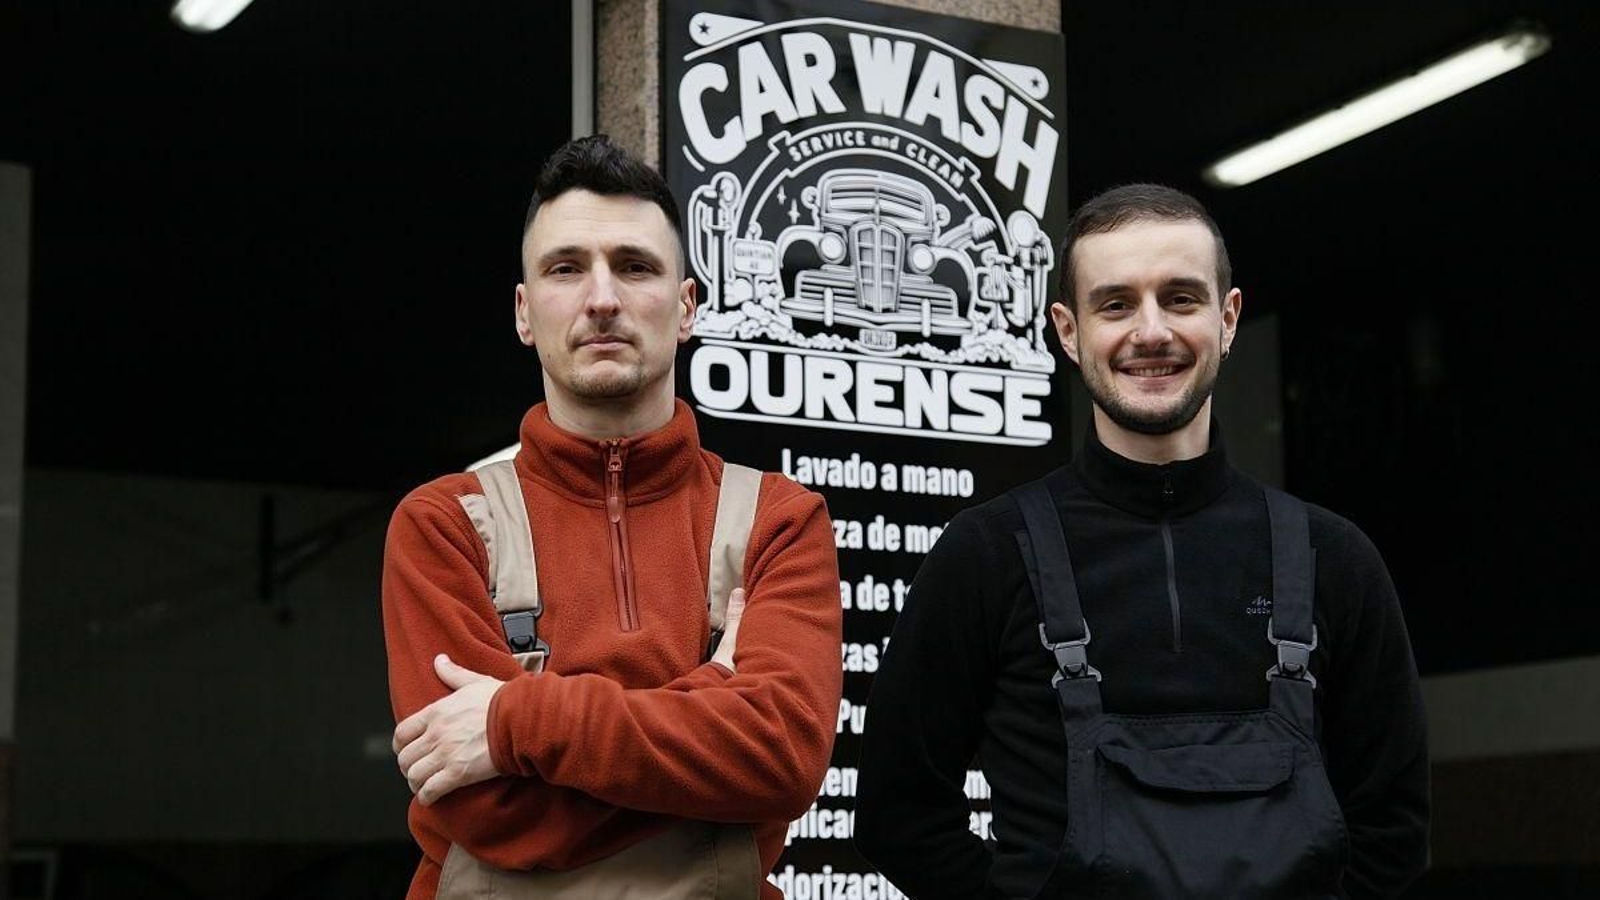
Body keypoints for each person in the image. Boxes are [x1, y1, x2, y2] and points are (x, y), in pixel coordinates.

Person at [854, 184, 1428, 898]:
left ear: (1228, 318)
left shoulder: (1334, 558)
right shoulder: (986, 553)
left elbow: (1394, 830)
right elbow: (897, 813)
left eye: (1181, 299)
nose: (1150, 332)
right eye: (1116, 303)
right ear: (1068, 331)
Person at [382, 135, 843, 899]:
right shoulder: (444, 524)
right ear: (525, 313)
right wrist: (708, 718)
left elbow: (782, 760)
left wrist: (515, 723)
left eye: (635, 266)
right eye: (567, 269)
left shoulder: (778, 519)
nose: (602, 298)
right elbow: (492, 812)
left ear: (687, 306)